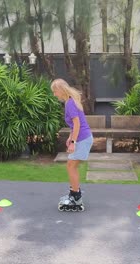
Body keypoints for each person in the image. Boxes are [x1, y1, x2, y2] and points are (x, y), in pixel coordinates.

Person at [51, 79, 93, 212]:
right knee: (71, 166)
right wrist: (70, 137)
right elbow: (75, 124)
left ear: (61, 90)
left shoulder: (70, 103)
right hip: (82, 138)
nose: (54, 94)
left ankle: (76, 197)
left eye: (55, 91)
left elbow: (77, 124)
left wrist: (73, 142)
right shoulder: (70, 101)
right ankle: (74, 194)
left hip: (83, 139)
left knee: (71, 166)